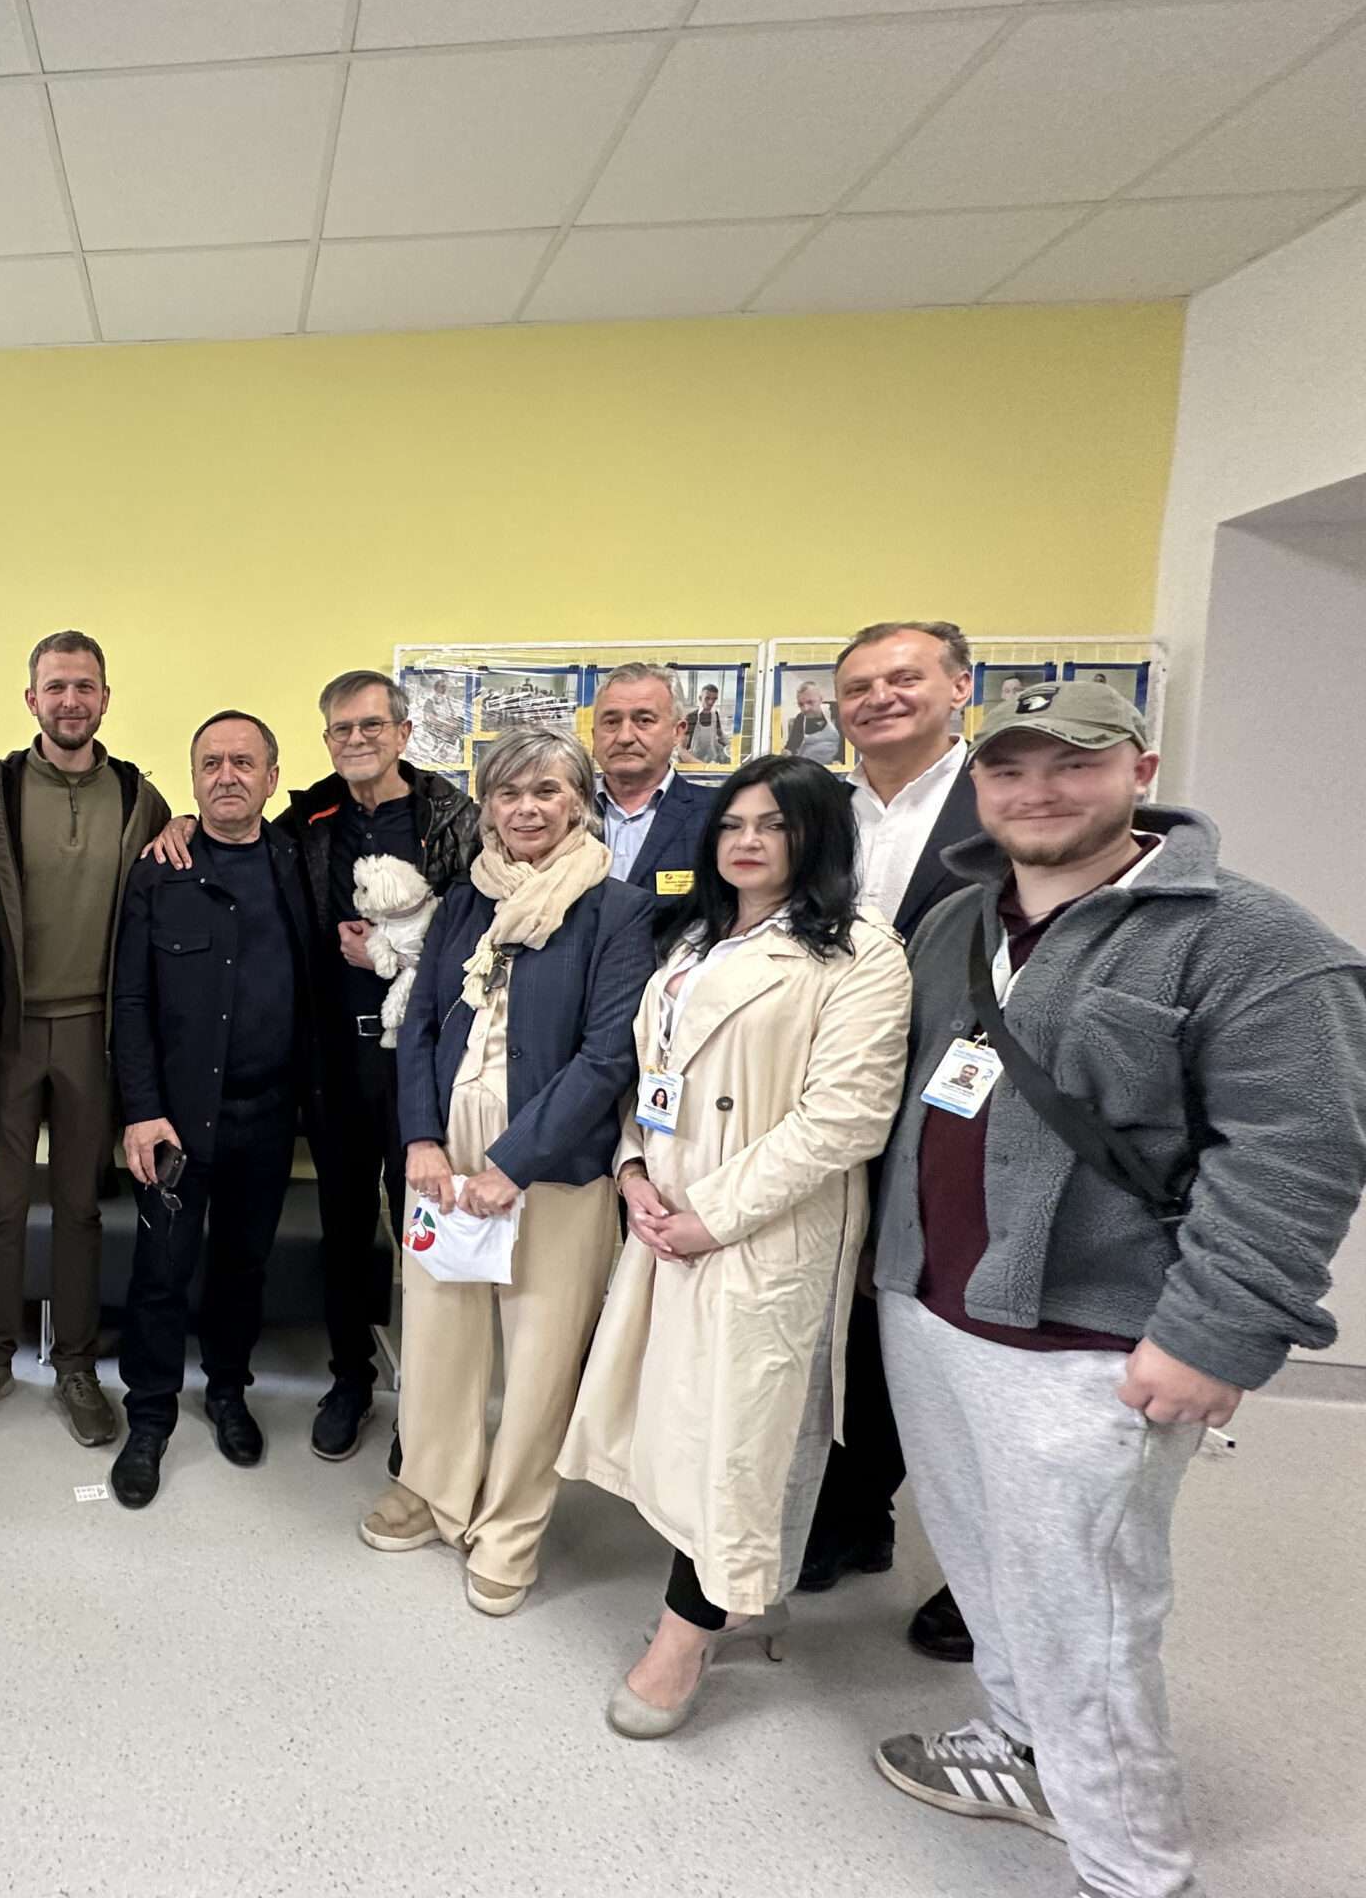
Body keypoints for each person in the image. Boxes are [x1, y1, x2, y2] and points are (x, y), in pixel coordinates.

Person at [868, 682, 1366, 1898]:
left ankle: (1132, 1866)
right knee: (984, 1568)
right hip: (931, 1305)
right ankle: (1021, 1750)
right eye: (1010, 768)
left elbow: (1300, 1153)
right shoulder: (956, 923)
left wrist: (1215, 1334)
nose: (1038, 791)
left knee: (1084, 1613)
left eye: (1073, 764)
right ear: (978, 785)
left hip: (1093, 1340)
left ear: (1139, 771)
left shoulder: (1251, 941)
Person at [558, 754, 910, 1738]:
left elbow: (844, 1120)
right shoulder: (695, 943)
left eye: (774, 825)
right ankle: (742, 1599)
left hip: (759, 1233)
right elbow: (652, 1075)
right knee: (679, 1428)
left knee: (738, 1446)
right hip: (666, 1217)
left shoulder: (861, 955)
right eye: (733, 824)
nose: (748, 841)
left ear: (816, 837)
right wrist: (632, 1169)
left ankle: (688, 1634)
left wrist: (710, 1215)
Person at [366, 727, 653, 1616]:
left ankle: (511, 1526)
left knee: (540, 1353)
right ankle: (432, 1486)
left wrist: (513, 1163)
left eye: (546, 791)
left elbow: (607, 1056)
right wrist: (420, 1138)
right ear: (486, 806)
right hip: (446, 1153)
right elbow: (418, 1024)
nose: (526, 809)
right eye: (507, 793)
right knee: (437, 1330)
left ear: (578, 803)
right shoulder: (464, 901)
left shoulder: (616, 909)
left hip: (553, 1161)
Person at [0, 632, 171, 1450]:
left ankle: (75, 1365)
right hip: (6, 1032)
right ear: (31, 698)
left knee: (79, 1209)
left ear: (106, 698)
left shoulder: (140, 797)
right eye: (56, 686)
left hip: (93, 1035)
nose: (71, 700)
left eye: (85, 686)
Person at [803, 618, 986, 1659]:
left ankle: (980, 1573)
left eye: (902, 677)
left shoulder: (1000, 801)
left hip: (959, 1107)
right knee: (851, 1307)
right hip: (832, 1099)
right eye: (858, 685)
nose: (877, 698)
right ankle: (854, 1508)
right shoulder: (822, 814)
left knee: (955, 1330)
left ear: (959, 686)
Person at [107, 712, 314, 1509]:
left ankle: (228, 1391)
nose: (226, 775)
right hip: (175, 1121)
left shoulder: (298, 862)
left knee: (241, 1266)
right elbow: (130, 1001)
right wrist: (140, 1110)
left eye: (243, 762)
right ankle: (149, 1416)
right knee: (160, 1272)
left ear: (271, 777)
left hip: (269, 1112)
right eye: (211, 763)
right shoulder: (159, 870)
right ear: (192, 778)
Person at [276, 671, 481, 1464]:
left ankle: (423, 1398)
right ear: (327, 739)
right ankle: (350, 1379)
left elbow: (480, 937)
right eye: (342, 729)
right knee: (343, 1226)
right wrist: (184, 819)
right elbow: (242, 841)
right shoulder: (310, 817)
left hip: (421, 1060)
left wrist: (396, 957)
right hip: (335, 1058)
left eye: (371, 726)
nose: (356, 740)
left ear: (403, 732)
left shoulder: (451, 819)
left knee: (423, 1227)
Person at [591, 662, 710, 895]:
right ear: (594, 736)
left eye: (644, 720)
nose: (625, 737)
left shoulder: (716, 815)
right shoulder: (564, 815)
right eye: (611, 722)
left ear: (678, 732)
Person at [785, 682, 843, 765]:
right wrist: (786, 754)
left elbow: (846, 743)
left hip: (834, 766)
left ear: (821, 699)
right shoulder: (801, 718)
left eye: (810, 702)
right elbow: (791, 746)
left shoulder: (835, 711)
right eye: (801, 704)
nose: (805, 708)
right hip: (807, 766)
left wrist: (839, 760)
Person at [685, 684, 730, 765]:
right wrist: (703, 766)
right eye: (707, 698)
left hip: (711, 759)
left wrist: (731, 746)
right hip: (693, 761)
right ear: (700, 698)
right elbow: (681, 749)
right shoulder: (691, 717)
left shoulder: (715, 715)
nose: (711, 702)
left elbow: (720, 735)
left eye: (714, 699)